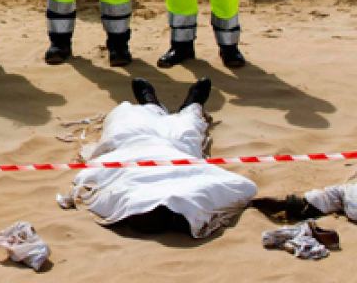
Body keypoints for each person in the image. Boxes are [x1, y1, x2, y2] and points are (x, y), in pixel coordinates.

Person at [59, 78, 257, 237]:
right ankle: (192, 104)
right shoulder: (190, 197)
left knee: (127, 116)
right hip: (177, 149)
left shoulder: (117, 199)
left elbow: (88, 178)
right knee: (188, 125)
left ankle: (151, 104)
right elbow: (244, 187)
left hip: (131, 144)